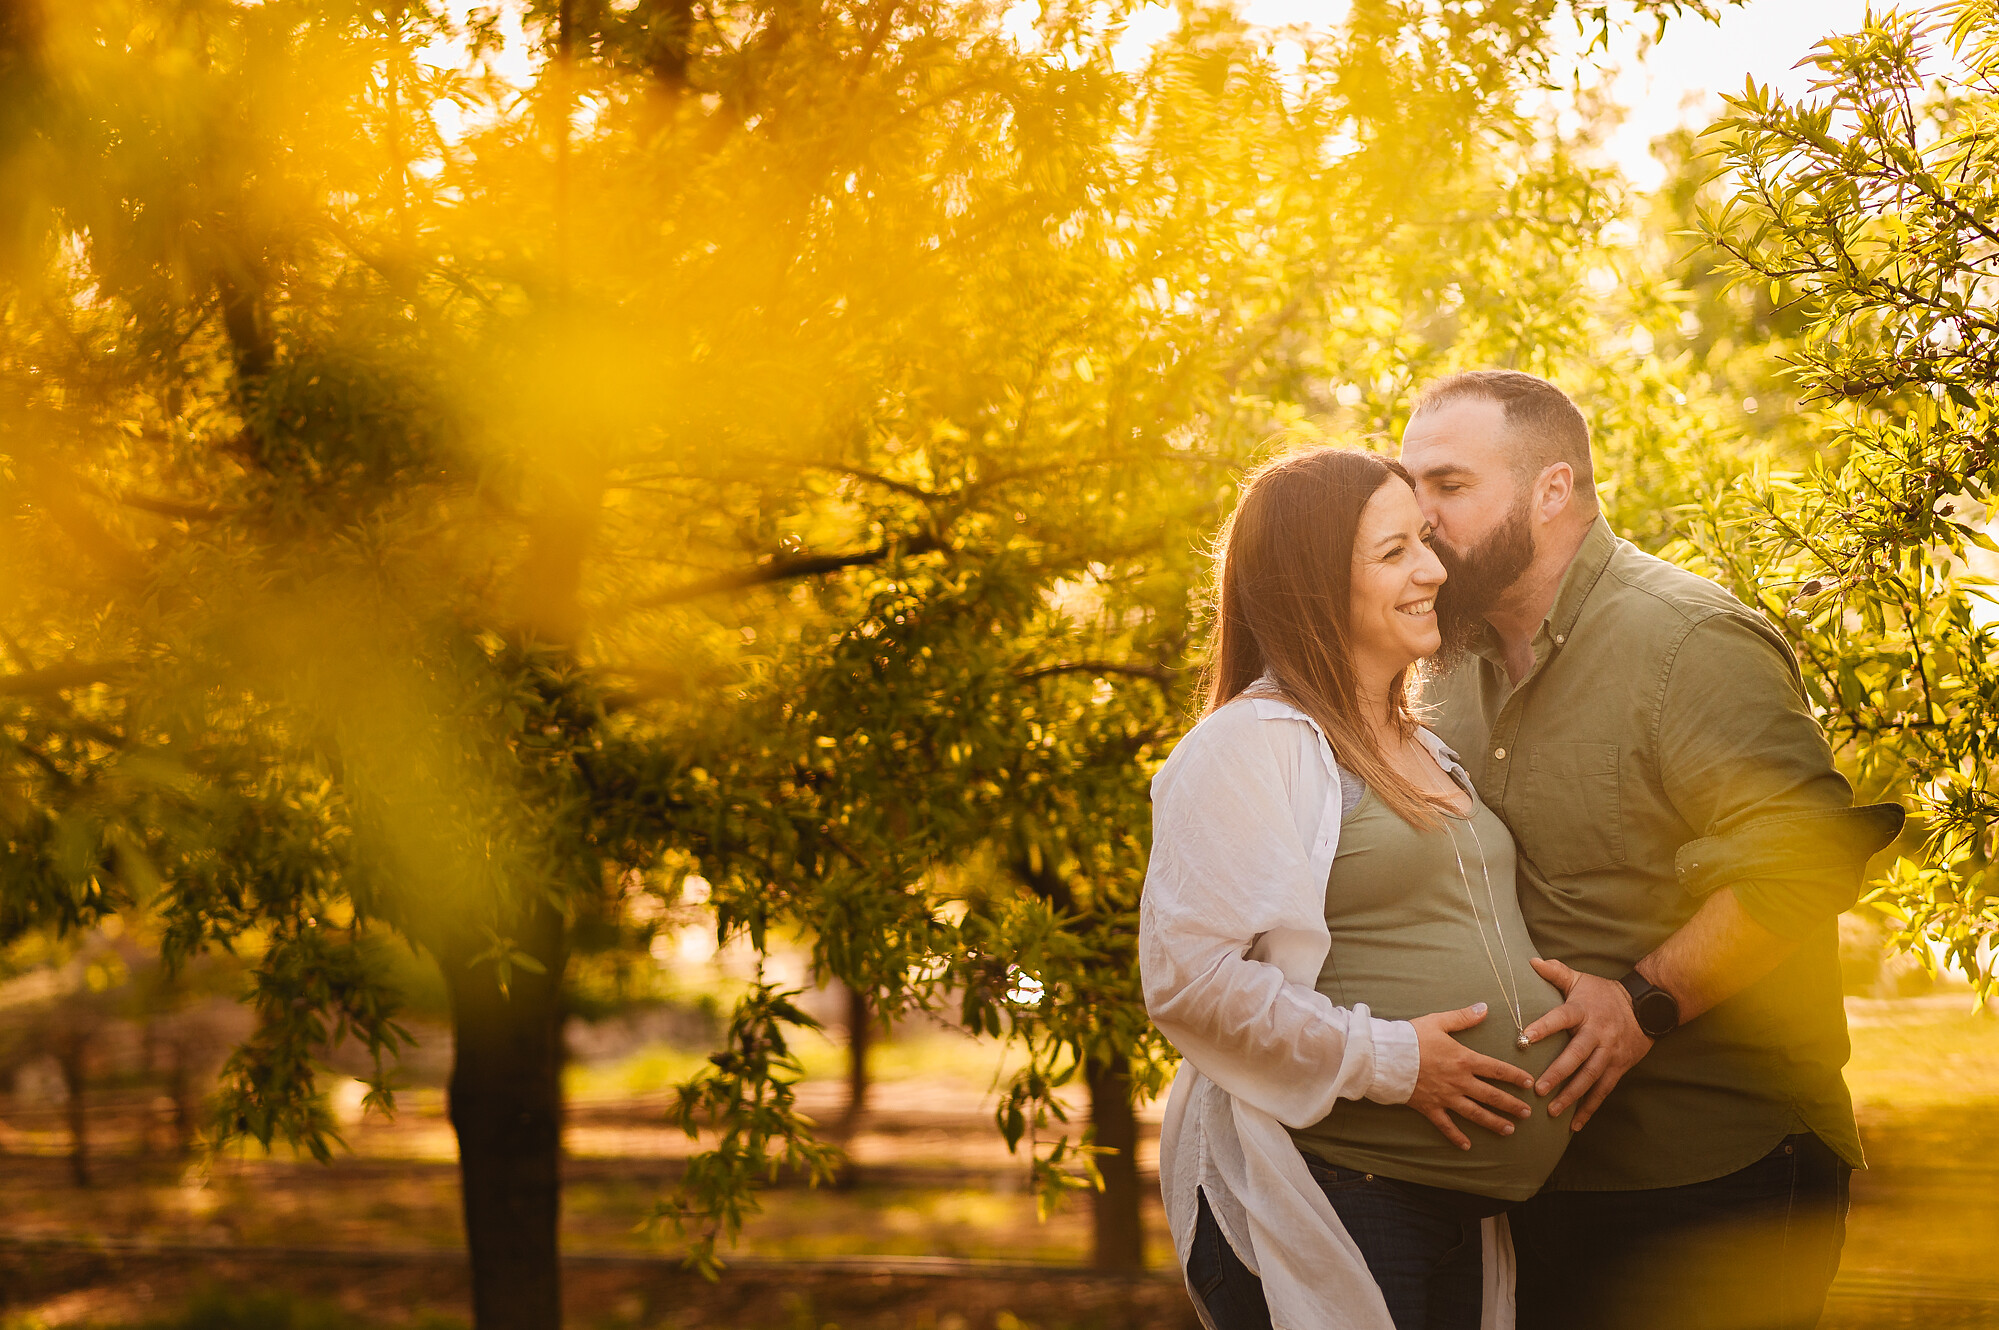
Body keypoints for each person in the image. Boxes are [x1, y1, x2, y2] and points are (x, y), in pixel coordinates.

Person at [1397, 369, 1904, 1330]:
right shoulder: (1439, 669)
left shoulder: (1687, 641)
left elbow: (1805, 860)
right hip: (1530, 1181)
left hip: (1713, 1168)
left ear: (1551, 489)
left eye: (1449, 486)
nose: (1419, 516)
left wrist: (1643, 1002)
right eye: (1409, 484)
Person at [1142, 447, 1574, 1330]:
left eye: (1425, 541)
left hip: (1453, 1209)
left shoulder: (1428, 746)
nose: (1433, 570)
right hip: (1338, 1193)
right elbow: (1191, 981)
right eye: (1393, 551)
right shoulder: (1252, 744)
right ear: (1312, 584)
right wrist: (1393, 1061)